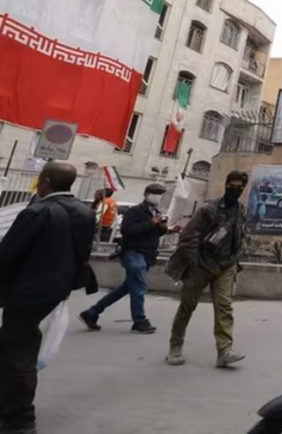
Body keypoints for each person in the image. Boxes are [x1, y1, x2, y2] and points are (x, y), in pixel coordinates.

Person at [0, 162, 95, 434]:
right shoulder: (84, 212)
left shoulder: (37, 212)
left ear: (46, 181)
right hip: (56, 291)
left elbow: (8, 254)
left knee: (18, 353)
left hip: (26, 292)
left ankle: (20, 420)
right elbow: (82, 254)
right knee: (14, 347)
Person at [164, 171, 249, 368]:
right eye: (232, 186)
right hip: (201, 264)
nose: (235, 190)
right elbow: (188, 236)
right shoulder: (208, 209)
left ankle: (225, 350)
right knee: (187, 305)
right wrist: (194, 261)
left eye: (239, 188)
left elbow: (242, 235)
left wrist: (236, 258)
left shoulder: (241, 211)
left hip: (226, 265)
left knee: (224, 307)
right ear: (226, 185)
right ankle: (175, 346)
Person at [79, 184, 178, 335]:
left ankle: (91, 313)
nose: (158, 197)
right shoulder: (135, 211)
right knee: (139, 287)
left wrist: (166, 229)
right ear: (147, 194)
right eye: (155, 193)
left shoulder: (157, 212)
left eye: (160, 194)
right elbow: (127, 230)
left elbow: (154, 233)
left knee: (127, 287)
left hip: (147, 254)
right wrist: (151, 223)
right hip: (134, 253)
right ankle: (140, 321)